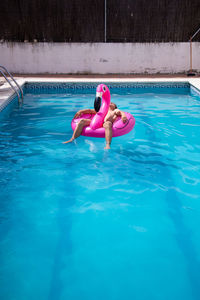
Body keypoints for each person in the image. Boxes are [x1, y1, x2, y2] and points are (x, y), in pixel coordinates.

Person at [63, 102, 127, 149]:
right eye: (109, 102)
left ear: (115, 106)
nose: (110, 103)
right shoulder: (102, 110)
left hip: (105, 123)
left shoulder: (115, 110)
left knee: (108, 124)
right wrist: (81, 111)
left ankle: (108, 144)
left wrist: (123, 116)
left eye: (112, 103)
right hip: (95, 123)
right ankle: (72, 139)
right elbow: (90, 111)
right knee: (82, 121)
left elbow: (121, 113)